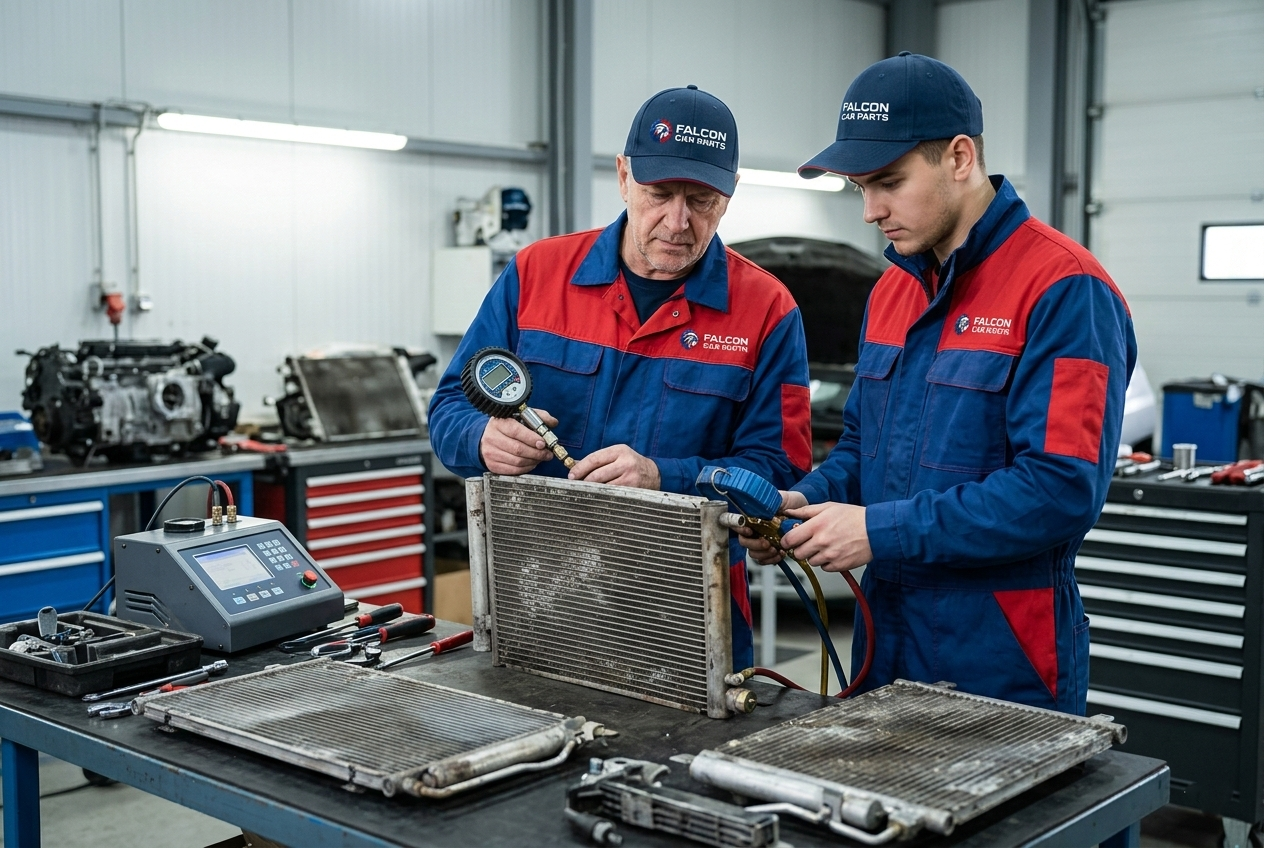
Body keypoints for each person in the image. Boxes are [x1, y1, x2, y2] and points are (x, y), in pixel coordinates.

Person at [741, 53, 1136, 714]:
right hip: (885, 639)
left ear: (959, 157)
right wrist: (801, 504)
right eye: (859, 187)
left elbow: (1060, 490)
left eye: (888, 182)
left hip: (1000, 651)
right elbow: (864, 450)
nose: (870, 211)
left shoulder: (1066, 290)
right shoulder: (892, 290)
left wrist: (879, 533)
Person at [428, 85, 813, 670]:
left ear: (729, 198)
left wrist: (664, 478)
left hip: (686, 613)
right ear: (623, 176)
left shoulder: (766, 310)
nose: (678, 222)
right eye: (659, 194)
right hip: (538, 597)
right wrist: (480, 439)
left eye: (702, 199)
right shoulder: (537, 275)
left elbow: (777, 471)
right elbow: (451, 406)